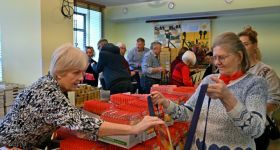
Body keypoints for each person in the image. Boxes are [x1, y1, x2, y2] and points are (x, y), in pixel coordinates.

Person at [0, 43, 164, 149]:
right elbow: (83, 123)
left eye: (83, 72)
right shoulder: (47, 92)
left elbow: (73, 121)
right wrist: (133, 128)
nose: (81, 78)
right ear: (59, 73)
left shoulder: (51, 85)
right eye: (76, 72)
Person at [151, 32, 268, 149]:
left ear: (239, 57)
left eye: (222, 57)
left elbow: (256, 130)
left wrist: (227, 97)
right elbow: (189, 112)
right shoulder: (209, 80)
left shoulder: (255, 83)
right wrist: (166, 102)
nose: (217, 62)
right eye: (215, 57)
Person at [238, 26, 280, 150]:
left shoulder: (266, 71)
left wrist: (248, 113)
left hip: (257, 129)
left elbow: (274, 101)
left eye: (246, 44)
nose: (242, 48)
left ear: (255, 46)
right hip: (235, 129)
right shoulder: (234, 70)